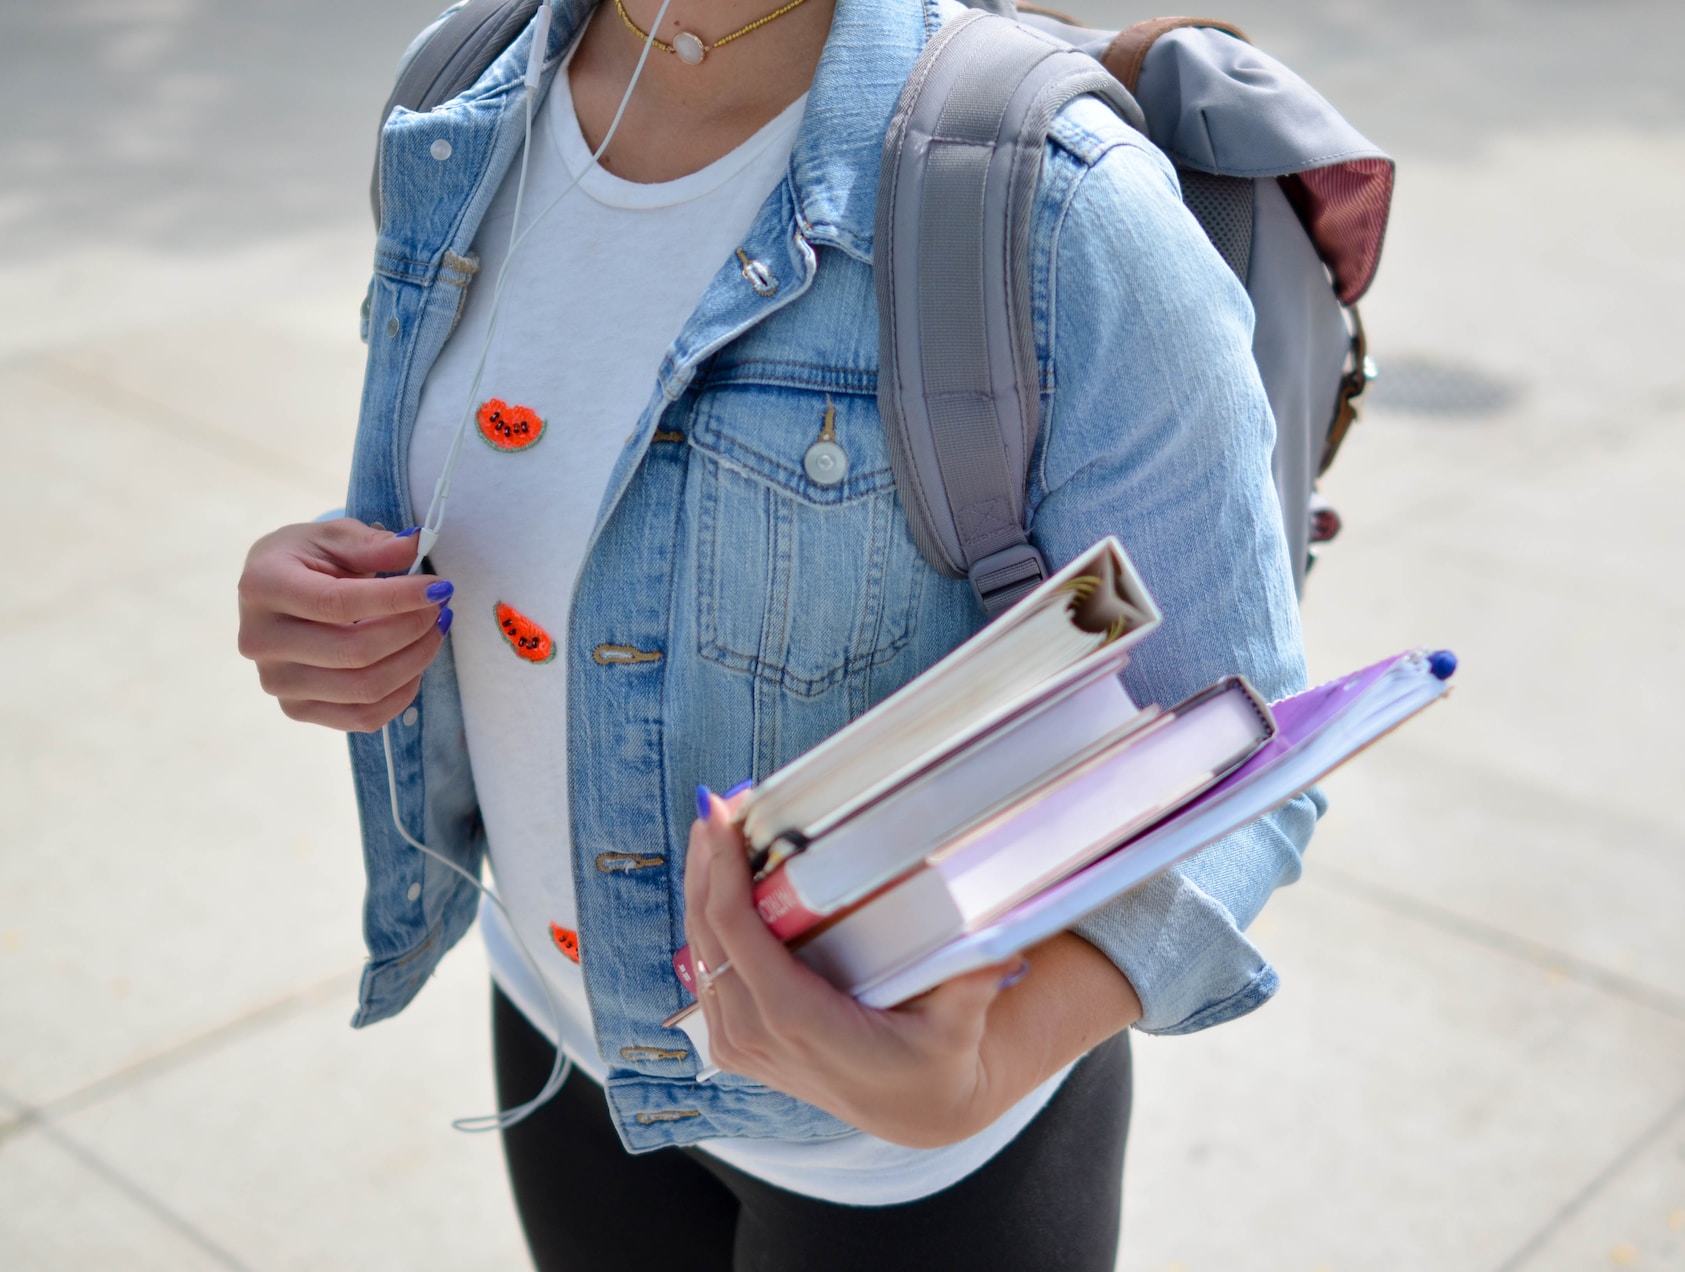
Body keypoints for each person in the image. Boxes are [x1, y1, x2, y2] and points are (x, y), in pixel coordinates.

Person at [235, 0, 1320, 1267]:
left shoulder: (1059, 205)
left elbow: (1236, 750)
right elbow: (532, 482)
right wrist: (327, 588)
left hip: (911, 1164)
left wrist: (978, 1073)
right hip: (560, 1029)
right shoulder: (461, 91)